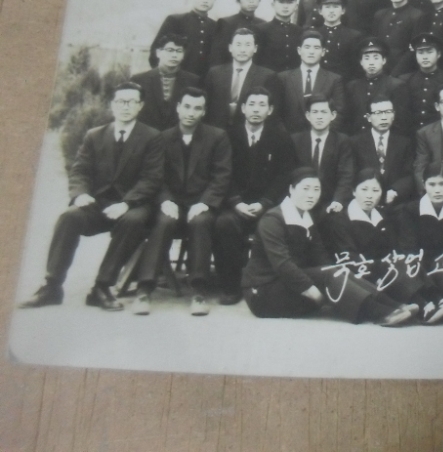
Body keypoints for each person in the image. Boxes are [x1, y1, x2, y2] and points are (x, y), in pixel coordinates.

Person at [20, 82, 164, 311]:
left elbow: (152, 178)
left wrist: (126, 203)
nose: (125, 106)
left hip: (133, 205)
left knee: (133, 220)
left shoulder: (152, 137)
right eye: (120, 101)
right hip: (99, 203)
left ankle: (101, 287)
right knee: (69, 217)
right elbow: (80, 170)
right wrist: (80, 195)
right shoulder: (95, 135)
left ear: (140, 106)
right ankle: (52, 286)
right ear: (112, 104)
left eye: (131, 102)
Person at [241, 167, 414, 325]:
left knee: (338, 270)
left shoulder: (306, 217)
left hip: (290, 284)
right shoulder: (273, 219)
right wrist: (312, 290)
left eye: (316, 189)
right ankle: (381, 313)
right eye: (305, 188)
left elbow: (321, 257)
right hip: (263, 293)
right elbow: (282, 264)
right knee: (329, 275)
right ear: (291, 189)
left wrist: (336, 277)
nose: (311, 195)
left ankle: (394, 305)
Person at [131, 86, 231, 316]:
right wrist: (165, 200)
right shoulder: (162, 138)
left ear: (204, 111)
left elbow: (222, 176)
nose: (191, 113)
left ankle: (198, 291)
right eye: (186, 106)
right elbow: (155, 176)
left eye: (197, 108)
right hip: (172, 202)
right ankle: (144, 289)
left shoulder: (217, 137)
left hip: (201, 202)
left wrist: (205, 203)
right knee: (164, 221)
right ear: (178, 108)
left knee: (200, 222)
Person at [213, 87, 294, 304]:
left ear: (270, 110)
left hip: (267, 205)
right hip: (235, 204)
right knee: (224, 223)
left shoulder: (280, 137)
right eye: (251, 104)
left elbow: (284, 176)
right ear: (243, 108)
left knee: (276, 225)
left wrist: (264, 203)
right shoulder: (228, 136)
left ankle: (267, 284)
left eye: (261, 105)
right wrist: (236, 202)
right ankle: (230, 286)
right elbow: (223, 173)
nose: (256, 110)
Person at [323, 171, 429, 317]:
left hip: (384, 270)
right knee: (390, 270)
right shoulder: (340, 219)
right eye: (364, 189)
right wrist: (380, 265)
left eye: (375, 190)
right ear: (353, 191)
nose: (369, 195)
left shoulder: (383, 217)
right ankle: (416, 307)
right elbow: (347, 256)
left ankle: (426, 303)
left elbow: (392, 249)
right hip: (358, 272)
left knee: (404, 263)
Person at [396, 169, 443, 323]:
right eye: (432, 184)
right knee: (417, 268)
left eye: (442, 184)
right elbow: (408, 247)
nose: (437, 190)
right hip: (421, 263)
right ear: (424, 185)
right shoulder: (411, 210)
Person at [291, 95, 354, 241]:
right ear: (308, 115)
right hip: (300, 200)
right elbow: (290, 174)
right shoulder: (295, 140)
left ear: (333, 115)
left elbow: (346, 175)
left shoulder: (342, 141)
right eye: (315, 112)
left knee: (336, 222)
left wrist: (337, 201)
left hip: (328, 201)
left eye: (324, 112)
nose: (319, 117)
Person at [272, 30, 346, 134]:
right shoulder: (283, 78)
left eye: (316, 48)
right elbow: (275, 113)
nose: (311, 51)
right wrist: (286, 137)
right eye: (307, 47)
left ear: (323, 52)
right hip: (289, 138)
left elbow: (338, 113)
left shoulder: (334, 79)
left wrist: (323, 135)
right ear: (299, 50)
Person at [202, 28, 276, 130]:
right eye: (238, 44)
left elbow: (271, 113)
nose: (242, 50)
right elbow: (205, 105)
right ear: (230, 48)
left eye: (247, 45)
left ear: (255, 48)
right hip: (216, 131)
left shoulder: (267, 76)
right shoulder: (215, 73)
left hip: (248, 132)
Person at [353, 95, 416, 214]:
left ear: (394, 115)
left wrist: (395, 191)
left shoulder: (404, 143)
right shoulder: (355, 143)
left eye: (388, 112)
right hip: (364, 204)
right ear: (368, 117)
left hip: (396, 204)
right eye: (378, 113)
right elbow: (352, 174)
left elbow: (410, 175)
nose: (383, 117)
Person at [149, 0, 221, 78]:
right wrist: (164, 76)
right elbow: (156, 50)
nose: (205, 0)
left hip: (205, 80)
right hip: (177, 78)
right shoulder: (175, 20)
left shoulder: (215, 25)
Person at [344, 37, 412, 135]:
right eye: (367, 58)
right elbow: (349, 119)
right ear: (361, 62)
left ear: (384, 60)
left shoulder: (396, 86)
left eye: (376, 58)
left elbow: (401, 121)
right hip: (357, 139)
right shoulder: (352, 86)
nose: (371, 62)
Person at [133, 33, 200, 131]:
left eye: (179, 51)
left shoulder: (193, 81)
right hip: (146, 135)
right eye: (170, 50)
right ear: (158, 52)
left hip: (178, 135)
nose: (174, 55)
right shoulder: (139, 80)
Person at [400, 33, 443, 129]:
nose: (425, 57)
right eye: (420, 52)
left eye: (429, 52)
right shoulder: (405, 80)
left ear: (438, 54)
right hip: (411, 133)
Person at [210, 0, 265, 66]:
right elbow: (218, 55)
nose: (251, 1)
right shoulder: (226, 23)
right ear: (238, 0)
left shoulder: (263, 24)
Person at [314, 0, 362, 80]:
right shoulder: (314, 35)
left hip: (344, 82)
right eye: (327, 7)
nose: (331, 11)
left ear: (343, 10)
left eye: (336, 7)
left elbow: (356, 68)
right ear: (320, 11)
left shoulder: (354, 36)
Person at [256, 0, 303, 73]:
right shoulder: (261, 30)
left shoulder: (300, 31)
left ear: (296, 6)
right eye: (281, 2)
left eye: (290, 2)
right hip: (269, 79)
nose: (285, 6)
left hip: (293, 79)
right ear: (273, 5)